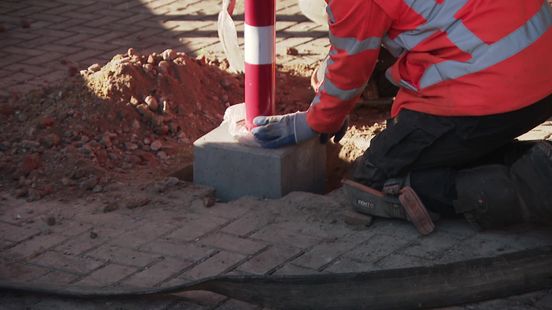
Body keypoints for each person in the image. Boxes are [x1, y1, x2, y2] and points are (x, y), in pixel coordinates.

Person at [252, 0, 552, 234]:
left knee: (375, 181)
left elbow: (350, 64)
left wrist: (315, 121)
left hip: (493, 85)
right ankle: (534, 162)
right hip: (538, 66)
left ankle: (529, 188)